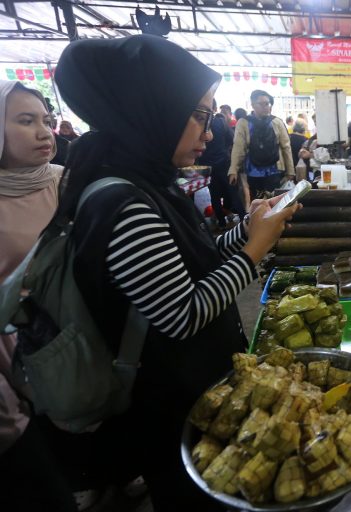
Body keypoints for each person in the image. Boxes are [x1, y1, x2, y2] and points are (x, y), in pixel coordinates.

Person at [52, 35, 299, 510]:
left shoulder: (147, 180)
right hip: (170, 405)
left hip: (192, 391)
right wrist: (253, 252)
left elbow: (194, 259)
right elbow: (183, 313)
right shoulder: (123, 202)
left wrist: (249, 228)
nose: (209, 132)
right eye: (200, 116)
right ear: (152, 109)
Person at [0, 80, 79, 512]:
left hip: (75, 328)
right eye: (26, 121)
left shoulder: (65, 182)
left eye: (46, 121)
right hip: (14, 347)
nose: (44, 132)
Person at [228, 89, 294, 202]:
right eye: (261, 104)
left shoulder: (277, 122)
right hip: (253, 171)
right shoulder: (243, 123)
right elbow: (238, 148)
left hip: (274, 170)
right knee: (257, 202)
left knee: (274, 202)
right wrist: (233, 170)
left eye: (267, 103)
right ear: (253, 105)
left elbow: (286, 147)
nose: (265, 107)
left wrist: (290, 171)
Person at [199, 99, 243, 228]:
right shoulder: (220, 122)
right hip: (224, 163)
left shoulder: (199, 123)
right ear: (215, 108)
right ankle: (242, 218)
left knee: (215, 193)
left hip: (207, 165)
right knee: (233, 192)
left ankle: (221, 222)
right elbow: (232, 139)